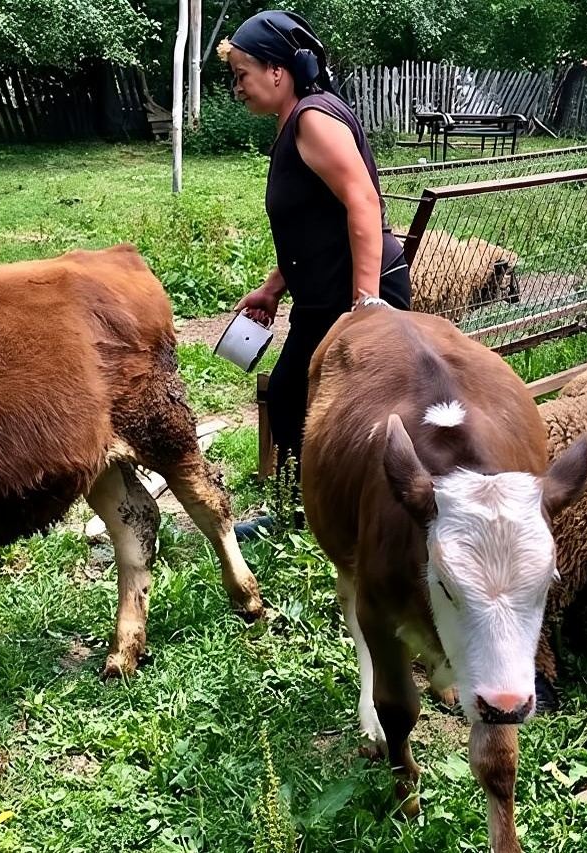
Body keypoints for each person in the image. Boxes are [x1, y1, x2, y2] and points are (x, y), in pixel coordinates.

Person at [219, 10, 411, 539]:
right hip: (322, 299)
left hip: (355, 297)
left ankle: (339, 516)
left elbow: (363, 205)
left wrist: (367, 305)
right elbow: (315, 222)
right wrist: (273, 286)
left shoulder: (312, 119)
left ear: (277, 70)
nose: (238, 88)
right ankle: (308, 514)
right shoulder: (296, 121)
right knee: (289, 399)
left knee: (346, 409)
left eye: (242, 75)